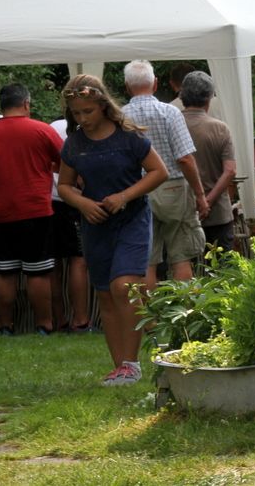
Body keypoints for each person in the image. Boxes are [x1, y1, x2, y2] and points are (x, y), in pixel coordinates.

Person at [57, 75, 167, 385]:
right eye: (76, 113)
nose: (83, 118)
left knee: (124, 287)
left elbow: (159, 172)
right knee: (105, 293)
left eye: (88, 111)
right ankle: (119, 367)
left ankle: (132, 364)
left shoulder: (128, 137)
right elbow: (64, 185)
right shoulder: (74, 143)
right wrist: (82, 204)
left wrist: (124, 196)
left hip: (132, 220)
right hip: (96, 225)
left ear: (104, 105)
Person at [0, 83, 61, 335]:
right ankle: (44, 325)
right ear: (26, 103)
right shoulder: (43, 130)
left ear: (2, 104)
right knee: (38, 272)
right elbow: (64, 163)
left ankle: (5, 326)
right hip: (36, 209)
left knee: (4, 272)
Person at [121, 60, 208, 290]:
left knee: (147, 261)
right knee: (181, 256)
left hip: (137, 190)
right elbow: (185, 158)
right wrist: (200, 195)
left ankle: (149, 313)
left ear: (127, 86)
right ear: (155, 83)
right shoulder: (170, 112)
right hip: (173, 188)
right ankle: (184, 308)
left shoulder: (119, 117)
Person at [179, 71, 237, 254]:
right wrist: (207, 201)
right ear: (209, 98)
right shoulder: (220, 128)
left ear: (182, 95)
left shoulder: (172, 125)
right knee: (222, 266)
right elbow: (230, 171)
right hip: (217, 213)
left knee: (183, 267)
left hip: (180, 212)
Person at [49, 117, 91, 332]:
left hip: (50, 200)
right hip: (74, 200)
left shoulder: (51, 127)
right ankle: (80, 320)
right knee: (78, 260)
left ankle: (59, 319)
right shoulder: (88, 130)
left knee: (53, 262)